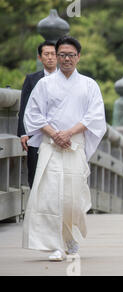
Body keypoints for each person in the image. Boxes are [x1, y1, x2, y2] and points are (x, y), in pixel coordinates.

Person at [22, 36, 107, 261]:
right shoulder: (44, 84)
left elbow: (95, 116)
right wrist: (54, 134)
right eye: (62, 55)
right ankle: (55, 245)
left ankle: (70, 238)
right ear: (56, 57)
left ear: (78, 56)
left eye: (71, 55)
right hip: (51, 147)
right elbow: (33, 114)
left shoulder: (89, 85)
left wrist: (68, 133)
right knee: (50, 196)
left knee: (72, 197)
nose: (66, 59)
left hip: (74, 145)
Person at [17, 40, 57, 188]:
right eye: (46, 54)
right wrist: (23, 133)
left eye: (53, 54)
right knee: (34, 169)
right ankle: (35, 205)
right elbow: (24, 107)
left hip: (58, 132)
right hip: (35, 132)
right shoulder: (32, 79)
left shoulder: (65, 79)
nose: (50, 57)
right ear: (40, 57)